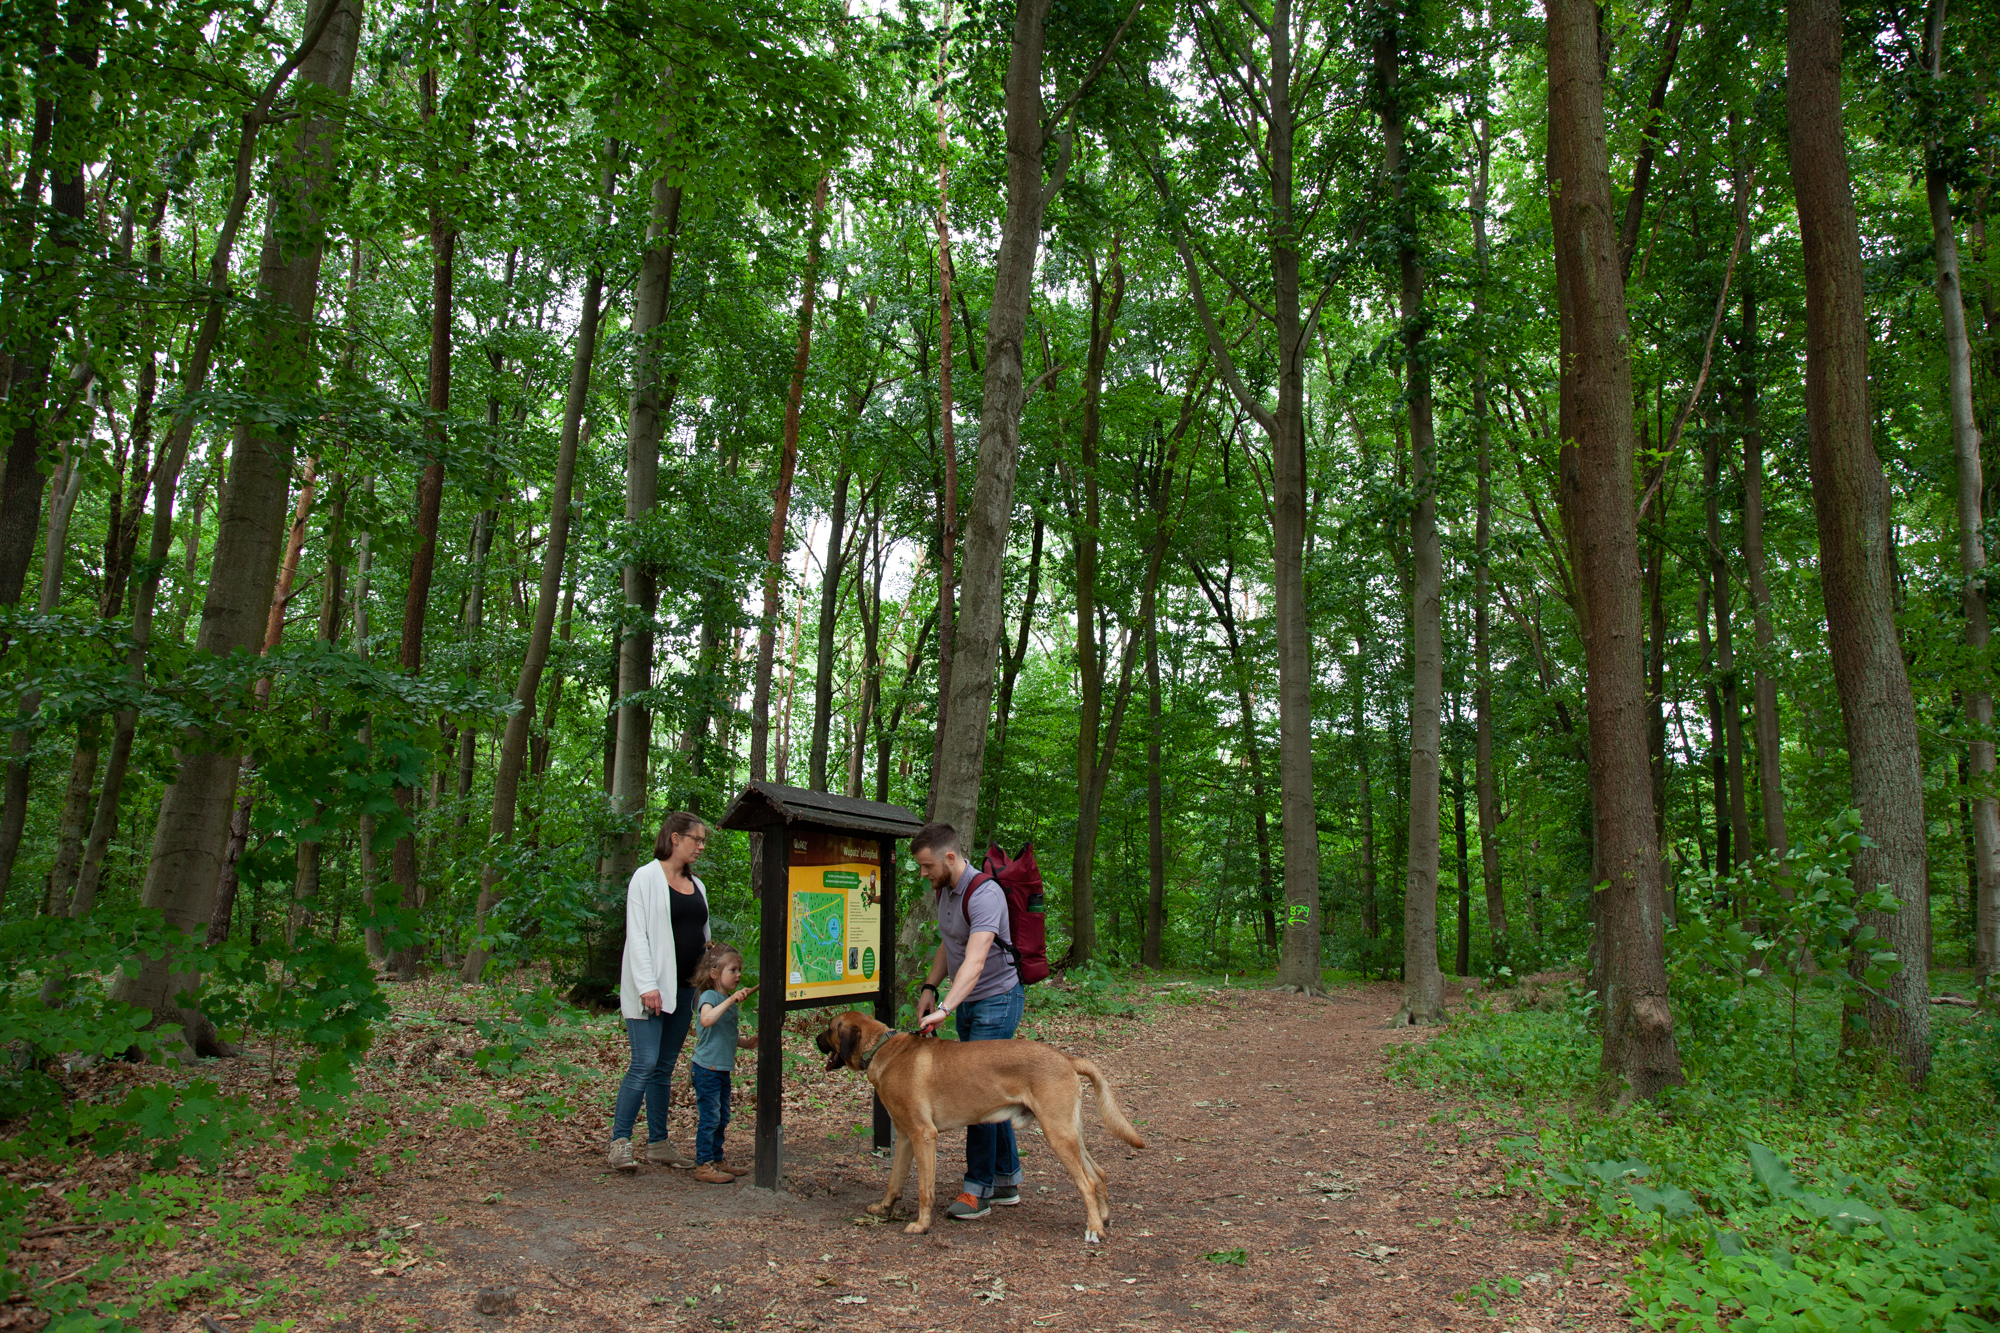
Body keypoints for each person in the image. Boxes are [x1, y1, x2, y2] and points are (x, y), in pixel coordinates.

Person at [912, 820, 1023, 1220]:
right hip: (968, 1001)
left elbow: (975, 961)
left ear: (950, 857)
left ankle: (978, 1190)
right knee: (997, 1092)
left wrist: (945, 1009)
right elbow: (951, 941)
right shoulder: (945, 891)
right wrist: (930, 987)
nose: (924, 875)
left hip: (997, 999)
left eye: (927, 866)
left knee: (977, 1092)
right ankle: (1006, 1178)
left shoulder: (985, 894)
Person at [607, 811, 711, 1173]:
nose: (700, 846)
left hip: (684, 990)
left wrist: (709, 978)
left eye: (702, 841)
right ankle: (620, 1142)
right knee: (644, 1063)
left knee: (664, 1067)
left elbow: (704, 935)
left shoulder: (697, 885)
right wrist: (648, 986)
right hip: (650, 991)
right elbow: (637, 936)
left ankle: (658, 1144)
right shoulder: (646, 878)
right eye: (696, 839)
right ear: (674, 838)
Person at [687, 941, 759, 1183]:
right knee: (710, 1117)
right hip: (706, 1070)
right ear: (715, 974)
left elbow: (723, 1034)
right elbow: (706, 1021)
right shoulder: (709, 997)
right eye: (732, 970)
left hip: (722, 1070)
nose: (738, 975)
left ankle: (717, 1159)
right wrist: (729, 1001)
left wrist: (747, 1043)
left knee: (722, 1117)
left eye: (739, 970)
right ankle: (703, 1165)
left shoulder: (726, 1001)